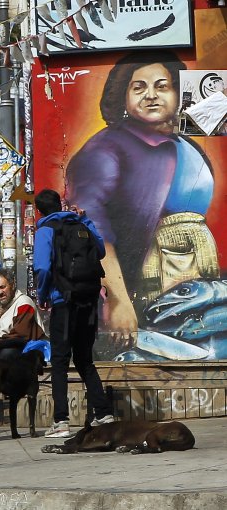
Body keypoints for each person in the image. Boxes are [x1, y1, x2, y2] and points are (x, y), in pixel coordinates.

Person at [66, 51, 218, 353]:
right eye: (139, 87)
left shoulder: (185, 145)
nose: (151, 95)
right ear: (123, 95)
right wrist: (119, 300)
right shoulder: (106, 147)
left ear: (177, 91)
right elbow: (92, 224)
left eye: (162, 86)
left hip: (197, 288)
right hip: (148, 292)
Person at [34, 188, 115, 439]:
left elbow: (43, 268)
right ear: (60, 204)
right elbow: (100, 251)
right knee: (84, 359)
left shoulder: (45, 230)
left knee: (59, 361)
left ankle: (61, 421)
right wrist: (85, 219)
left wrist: (43, 295)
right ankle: (103, 413)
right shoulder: (80, 225)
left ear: (39, 210)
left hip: (63, 301)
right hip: (88, 302)